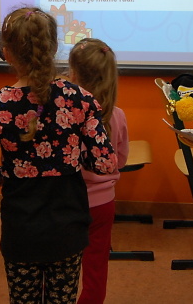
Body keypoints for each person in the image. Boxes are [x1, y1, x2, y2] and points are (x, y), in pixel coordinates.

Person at [0, 7, 118, 304]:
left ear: (7, 53)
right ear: (53, 48)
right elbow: (106, 163)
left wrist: (10, 172)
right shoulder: (82, 100)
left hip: (21, 230)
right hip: (68, 227)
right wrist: (72, 158)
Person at [67, 38, 129, 304]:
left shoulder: (63, 114)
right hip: (103, 204)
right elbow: (120, 160)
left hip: (68, 201)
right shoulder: (117, 115)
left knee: (64, 265)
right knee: (96, 268)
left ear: (72, 75)